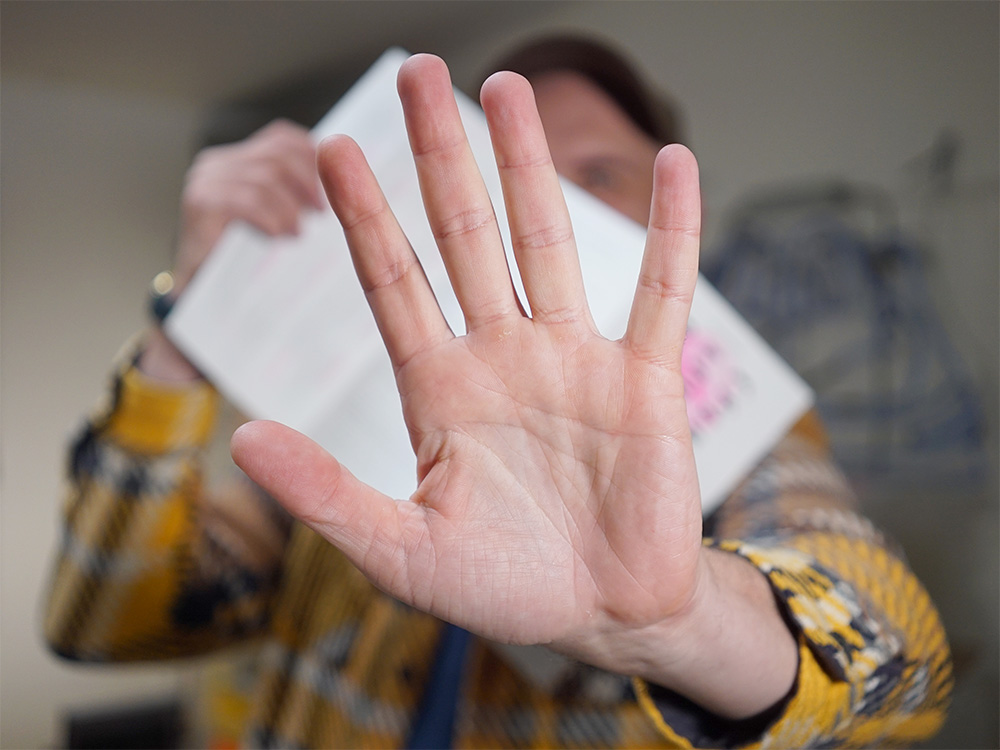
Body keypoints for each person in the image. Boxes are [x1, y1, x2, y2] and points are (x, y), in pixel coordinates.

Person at [44, 36, 952, 749]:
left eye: (598, 178)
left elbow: (900, 681)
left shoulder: (737, 418)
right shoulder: (365, 437)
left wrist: (682, 622)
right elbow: (100, 624)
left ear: (666, 214)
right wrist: (187, 323)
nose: (553, 213)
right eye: (524, 178)